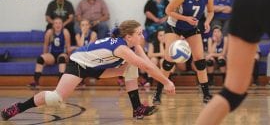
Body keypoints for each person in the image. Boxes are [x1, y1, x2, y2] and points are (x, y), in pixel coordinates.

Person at [1, 20, 175, 121]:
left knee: (130, 68)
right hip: (79, 63)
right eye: (139, 33)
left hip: (96, 66)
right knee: (56, 98)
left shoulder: (132, 45)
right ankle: (18, 107)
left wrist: (162, 78)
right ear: (128, 36)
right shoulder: (123, 49)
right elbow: (147, 66)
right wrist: (166, 81)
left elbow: (146, 63)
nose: (142, 36)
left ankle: (137, 109)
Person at [152, 0, 214, 105]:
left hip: (191, 27)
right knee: (168, 61)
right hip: (174, 26)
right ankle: (157, 94)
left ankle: (206, 94)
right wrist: (185, 18)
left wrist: (208, 22)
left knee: (200, 61)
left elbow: (210, 11)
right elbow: (167, 11)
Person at [28, 17, 71, 88]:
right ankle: (36, 82)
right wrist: (45, 56)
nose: (58, 25)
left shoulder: (65, 32)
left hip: (62, 54)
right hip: (52, 55)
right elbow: (46, 45)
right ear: (53, 25)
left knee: (62, 58)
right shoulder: (49, 32)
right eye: (56, 23)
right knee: (40, 59)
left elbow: (68, 46)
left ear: (62, 25)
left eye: (60, 23)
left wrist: (69, 59)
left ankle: (61, 83)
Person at [74, 19, 97, 87]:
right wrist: (83, 34)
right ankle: (81, 80)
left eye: (86, 25)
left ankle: (83, 79)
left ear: (89, 26)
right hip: (84, 54)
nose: (85, 27)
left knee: (83, 57)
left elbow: (89, 47)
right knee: (79, 57)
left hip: (93, 53)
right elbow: (81, 46)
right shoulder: (78, 35)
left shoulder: (93, 34)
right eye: (83, 25)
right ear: (80, 27)